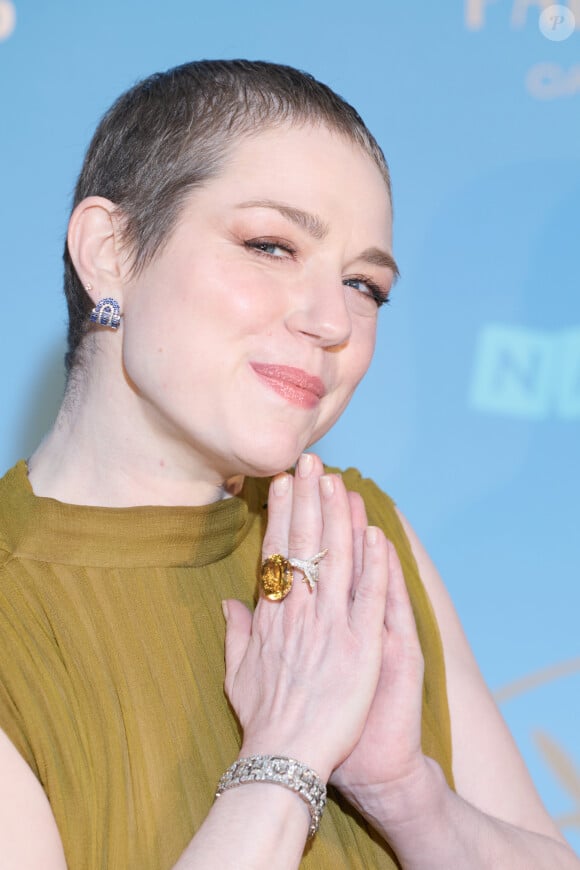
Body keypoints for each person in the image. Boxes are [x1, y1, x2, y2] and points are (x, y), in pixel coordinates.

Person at [0, 59, 576, 869]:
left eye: (364, 284)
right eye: (271, 245)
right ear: (110, 249)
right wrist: (288, 755)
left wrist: (406, 791)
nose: (332, 319)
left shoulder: (358, 536)